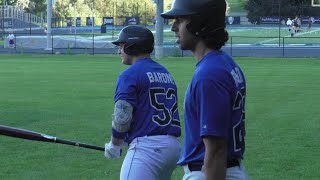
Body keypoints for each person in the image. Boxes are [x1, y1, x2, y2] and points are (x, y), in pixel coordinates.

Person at [162, 0, 249, 179]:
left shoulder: (210, 74)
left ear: (199, 24)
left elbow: (216, 150)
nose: (174, 27)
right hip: (227, 169)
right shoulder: (224, 63)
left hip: (209, 172)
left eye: (180, 20)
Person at [103, 25, 181, 180]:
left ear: (132, 46)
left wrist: (115, 144)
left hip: (148, 150)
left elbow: (122, 117)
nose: (119, 51)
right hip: (173, 148)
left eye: (122, 46)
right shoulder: (165, 73)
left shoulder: (129, 75)